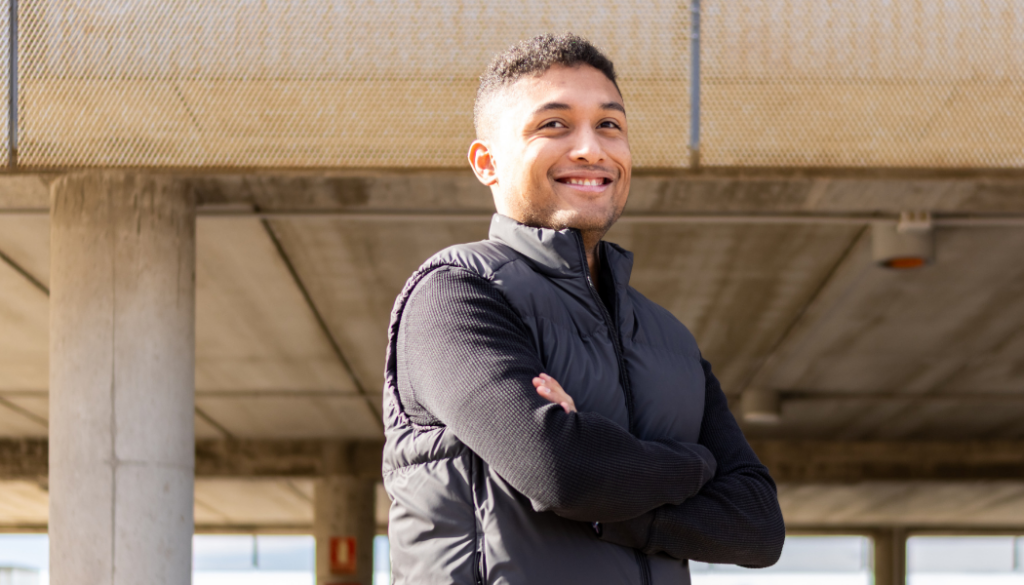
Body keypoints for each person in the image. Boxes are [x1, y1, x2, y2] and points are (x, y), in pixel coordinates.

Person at [382, 33, 785, 585]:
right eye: (554, 124)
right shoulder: (454, 295)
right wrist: (698, 466)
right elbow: (562, 472)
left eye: (609, 125)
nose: (590, 149)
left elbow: (759, 527)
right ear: (486, 162)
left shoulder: (669, 338)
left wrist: (611, 490)